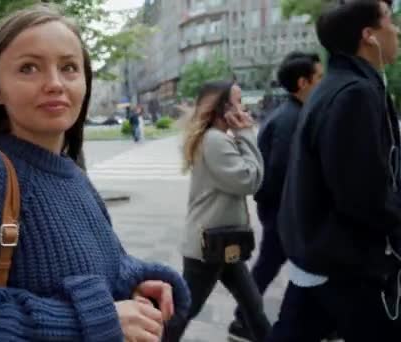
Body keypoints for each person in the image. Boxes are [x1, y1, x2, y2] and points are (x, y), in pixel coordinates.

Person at [0, 5, 190, 341]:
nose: (54, 83)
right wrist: (94, 322)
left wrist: (140, 282)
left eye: (69, 68)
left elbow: (108, 262)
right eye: (29, 68)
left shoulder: (71, 172)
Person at [268, 1, 401, 341]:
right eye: (391, 21)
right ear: (368, 36)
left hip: (321, 253)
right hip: (344, 262)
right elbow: (362, 194)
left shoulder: (337, 85)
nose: (397, 30)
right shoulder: (355, 93)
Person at [227, 51, 324, 342]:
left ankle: (247, 320)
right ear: (303, 82)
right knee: (270, 265)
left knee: (279, 265)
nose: (324, 83)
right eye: (319, 77)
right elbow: (282, 172)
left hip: (281, 211)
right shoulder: (292, 120)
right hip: (284, 212)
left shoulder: (288, 113)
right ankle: (243, 321)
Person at [164, 80, 270, 341]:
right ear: (223, 108)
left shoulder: (215, 138)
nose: (243, 107)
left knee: (253, 305)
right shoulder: (214, 141)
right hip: (208, 245)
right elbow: (249, 181)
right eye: (237, 101)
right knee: (185, 312)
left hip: (223, 239)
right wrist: (246, 134)